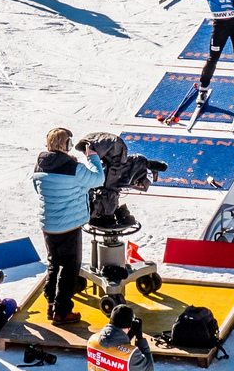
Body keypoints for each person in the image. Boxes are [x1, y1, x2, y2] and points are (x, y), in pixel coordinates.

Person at [32, 128, 106, 324]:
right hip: (69, 226)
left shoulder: (40, 164)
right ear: (65, 145)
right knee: (69, 268)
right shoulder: (74, 168)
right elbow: (99, 179)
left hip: (48, 224)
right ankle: (62, 311)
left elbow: (38, 189)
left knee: (53, 264)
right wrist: (92, 158)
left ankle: (50, 304)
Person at [86, 303, 154, 371]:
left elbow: (111, 350)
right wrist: (140, 338)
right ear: (129, 328)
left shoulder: (92, 340)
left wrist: (126, 338)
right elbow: (149, 368)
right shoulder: (131, 354)